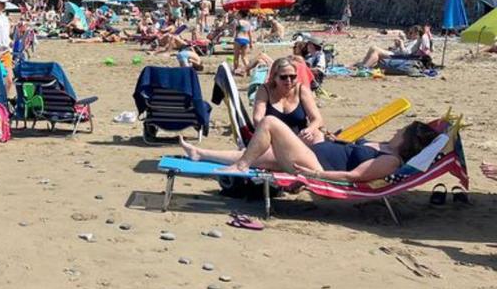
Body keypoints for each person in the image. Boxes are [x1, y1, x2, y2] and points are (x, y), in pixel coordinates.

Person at [180, 119, 440, 183]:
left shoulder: (391, 161)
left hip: (316, 167)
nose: (398, 130)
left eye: (403, 130)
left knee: (270, 123)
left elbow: (354, 176)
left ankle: (240, 166)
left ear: (407, 139)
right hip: (315, 154)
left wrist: (316, 177)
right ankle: (200, 154)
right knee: (262, 156)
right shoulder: (384, 145)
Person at [252, 57, 324, 144]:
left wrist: (309, 129)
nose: (288, 80)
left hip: (299, 138)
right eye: (283, 77)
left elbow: (317, 119)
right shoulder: (264, 90)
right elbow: (257, 119)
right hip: (273, 139)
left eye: (292, 76)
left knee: (318, 135)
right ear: (274, 77)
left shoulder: (301, 90)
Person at [356, 25, 430, 68]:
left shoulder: (415, 42)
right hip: (395, 53)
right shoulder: (411, 40)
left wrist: (401, 44)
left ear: (417, 33)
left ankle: (365, 67)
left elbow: (406, 53)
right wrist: (397, 45)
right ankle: (363, 64)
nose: (409, 34)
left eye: (411, 32)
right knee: (373, 48)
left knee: (375, 50)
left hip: (398, 56)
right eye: (409, 32)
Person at [232, 10, 254, 76]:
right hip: (246, 40)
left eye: (238, 14)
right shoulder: (248, 23)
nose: (237, 15)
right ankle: (248, 71)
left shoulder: (237, 22)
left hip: (238, 39)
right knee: (244, 57)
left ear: (240, 15)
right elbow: (250, 34)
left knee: (236, 57)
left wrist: (234, 40)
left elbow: (234, 31)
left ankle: (235, 70)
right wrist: (251, 43)